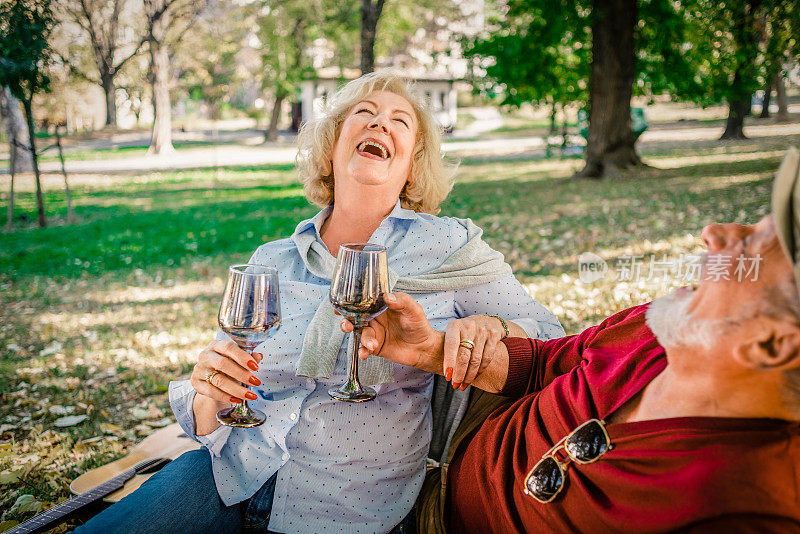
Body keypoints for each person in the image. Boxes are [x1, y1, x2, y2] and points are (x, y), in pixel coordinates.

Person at [73, 70, 563, 534]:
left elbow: (548, 336)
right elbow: (218, 400)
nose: (379, 123)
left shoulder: (450, 248)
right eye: (364, 113)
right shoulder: (273, 260)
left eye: (400, 120)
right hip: (230, 473)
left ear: (413, 164)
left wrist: (489, 325)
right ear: (332, 146)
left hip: (350, 502)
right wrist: (210, 392)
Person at [343, 148, 800, 532]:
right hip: (450, 432)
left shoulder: (746, 506)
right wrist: (433, 350)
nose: (717, 234)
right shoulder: (658, 326)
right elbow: (549, 363)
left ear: (773, 344)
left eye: (753, 250)